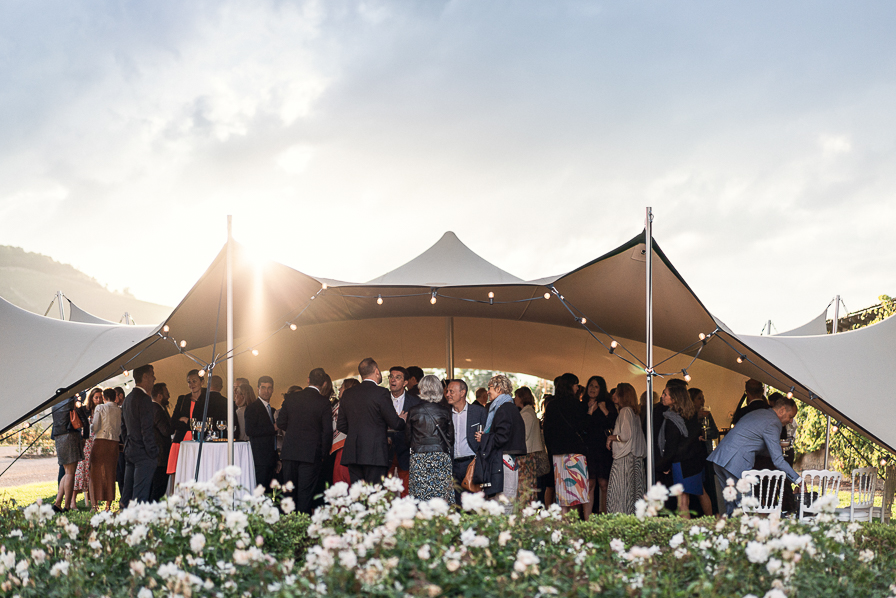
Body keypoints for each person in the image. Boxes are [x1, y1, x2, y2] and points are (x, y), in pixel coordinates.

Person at [707, 396, 802, 516]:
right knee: (747, 508)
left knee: (732, 507)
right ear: (782, 410)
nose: (791, 421)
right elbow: (778, 460)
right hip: (735, 462)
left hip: (720, 459)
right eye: (790, 416)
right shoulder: (774, 422)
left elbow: (752, 441)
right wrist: (799, 481)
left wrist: (775, 449)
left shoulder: (760, 413)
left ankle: (733, 527)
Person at [337, 358, 407, 484]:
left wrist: (357, 433)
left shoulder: (348, 394)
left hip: (353, 453)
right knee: (375, 492)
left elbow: (341, 425)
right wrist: (402, 419)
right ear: (376, 371)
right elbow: (395, 423)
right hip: (375, 453)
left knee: (358, 493)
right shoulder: (381, 393)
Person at [277, 368, 334, 514]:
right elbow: (327, 432)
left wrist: (294, 430)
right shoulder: (324, 402)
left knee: (288, 493)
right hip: (311, 454)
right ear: (324, 383)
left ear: (308, 380)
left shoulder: (291, 398)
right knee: (305, 495)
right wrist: (323, 454)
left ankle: (288, 523)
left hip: (290, 452)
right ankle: (302, 526)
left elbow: (281, 422)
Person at [475, 374, 526, 513]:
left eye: (490, 388)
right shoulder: (507, 406)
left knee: (503, 502)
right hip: (506, 460)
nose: (487, 392)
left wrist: (483, 438)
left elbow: (502, 437)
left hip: (503, 462)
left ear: (498, 389)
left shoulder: (504, 408)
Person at [656, 384, 709, 518]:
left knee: (683, 502)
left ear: (674, 399)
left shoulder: (672, 420)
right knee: (701, 493)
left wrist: (664, 465)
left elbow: (672, 447)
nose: (662, 396)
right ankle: (713, 524)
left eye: (665, 394)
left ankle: (686, 531)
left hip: (682, 464)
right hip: (695, 461)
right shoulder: (691, 414)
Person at [543, 376, 589, 515]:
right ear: (570, 386)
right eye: (575, 384)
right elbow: (584, 427)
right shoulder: (578, 405)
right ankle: (573, 523)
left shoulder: (552, 405)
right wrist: (589, 414)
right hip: (576, 454)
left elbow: (547, 431)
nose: (577, 387)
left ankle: (563, 524)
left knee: (562, 496)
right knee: (575, 496)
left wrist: (551, 451)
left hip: (558, 455)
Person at [168, 369, 227, 476]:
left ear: (202, 382)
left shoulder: (209, 399)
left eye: (194, 381)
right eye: (189, 382)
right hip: (181, 440)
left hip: (201, 441)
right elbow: (173, 422)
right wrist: (194, 424)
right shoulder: (183, 399)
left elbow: (208, 423)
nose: (191, 384)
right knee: (178, 474)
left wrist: (187, 421)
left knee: (198, 472)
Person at [407, 375, 455, 503]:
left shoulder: (413, 411)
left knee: (420, 496)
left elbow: (407, 438)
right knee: (442, 496)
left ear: (421, 389)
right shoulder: (445, 411)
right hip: (440, 457)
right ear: (439, 390)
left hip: (419, 458)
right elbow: (451, 439)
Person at [121, 364, 160, 507]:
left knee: (127, 496)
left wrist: (127, 444)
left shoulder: (128, 398)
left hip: (130, 450)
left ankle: (125, 518)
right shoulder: (144, 399)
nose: (154, 378)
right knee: (140, 496)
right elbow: (146, 429)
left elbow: (123, 427)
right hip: (143, 453)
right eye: (152, 374)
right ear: (145, 377)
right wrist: (153, 452)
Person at [606, 383, 647, 515]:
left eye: (616, 392)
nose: (613, 395)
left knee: (619, 495)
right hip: (635, 460)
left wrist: (611, 437)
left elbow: (625, 436)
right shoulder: (634, 413)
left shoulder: (625, 411)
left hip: (624, 460)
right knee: (634, 495)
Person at [445, 379, 487, 503]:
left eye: (451, 391)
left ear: (462, 393)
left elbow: (488, 436)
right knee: (456, 503)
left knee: (473, 504)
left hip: (472, 464)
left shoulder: (478, 412)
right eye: (447, 391)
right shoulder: (445, 413)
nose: (447, 394)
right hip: (452, 464)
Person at [386, 366, 422, 496]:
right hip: (385, 450)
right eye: (391, 377)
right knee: (385, 492)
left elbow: (419, 427)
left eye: (397, 377)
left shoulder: (415, 402)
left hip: (406, 450)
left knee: (407, 491)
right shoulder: (382, 399)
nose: (393, 380)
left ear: (405, 382)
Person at [584, 375, 616, 516]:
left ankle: (605, 516)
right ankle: (587, 519)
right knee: (589, 484)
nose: (592, 389)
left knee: (604, 484)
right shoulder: (582, 404)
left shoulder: (607, 404)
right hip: (588, 449)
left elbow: (615, 424)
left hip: (604, 449)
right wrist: (589, 413)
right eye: (591, 385)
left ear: (601, 389)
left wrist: (604, 410)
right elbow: (582, 427)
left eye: (596, 386)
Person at [245, 375, 280, 491]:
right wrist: (272, 428)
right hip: (260, 459)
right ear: (258, 389)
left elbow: (272, 438)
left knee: (269, 493)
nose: (266, 391)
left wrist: (276, 458)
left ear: (273, 390)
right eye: (263, 387)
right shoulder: (252, 408)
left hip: (271, 458)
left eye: (269, 388)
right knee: (260, 492)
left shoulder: (271, 409)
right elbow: (250, 430)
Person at [89, 388, 121, 511]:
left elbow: (96, 426)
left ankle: (95, 505)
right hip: (114, 443)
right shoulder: (118, 410)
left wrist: (90, 426)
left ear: (104, 397)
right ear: (115, 397)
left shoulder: (100, 408)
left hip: (101, 441)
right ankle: (108, 506)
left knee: (95, 472)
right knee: (110, 473)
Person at [513, 386, 546, 506]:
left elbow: (524, 435)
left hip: (525, 455)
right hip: (528, 454)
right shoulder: (528, 412)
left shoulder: (526, 414)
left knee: (524, 484)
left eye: (516, 396)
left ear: (521, 398)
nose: (514, 398)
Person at [690, 388, 719, 515]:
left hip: (705, 451)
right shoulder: (689, 415)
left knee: (707, 483)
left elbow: (715, 432)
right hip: (693, 454)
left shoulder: (707, 414)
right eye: (699, 398)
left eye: (703, 398)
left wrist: (705, 433)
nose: (703, 401)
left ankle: (710, 513)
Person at [51, 396, 83, 512]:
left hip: (59, 437)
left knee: (66, 472)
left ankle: (58, 503)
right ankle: (67, 506)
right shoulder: (70, 400)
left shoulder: (55, 403)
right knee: (70, 473)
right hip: (70, 435)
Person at [74, 387, 103, 508]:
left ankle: (94, 502)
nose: (98, 400)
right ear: (91, 398)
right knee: (81, 470)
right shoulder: (85, 410)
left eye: (100, 397)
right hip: (86, 442)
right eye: (96, 397)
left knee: (93, 472)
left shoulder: (102, 410)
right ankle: (73, 501)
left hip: (97, 442)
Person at [330, 378, 359, 486]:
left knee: (342, 480)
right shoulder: (338, 405)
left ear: (348, 389)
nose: (339, 389)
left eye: (342, 387)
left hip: (345, 447)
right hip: (338, 448)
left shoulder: (350, 406)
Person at [150, 382, 173, 502]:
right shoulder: (157, 410)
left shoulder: (151, 408)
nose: (168, 396)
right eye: (167, 394)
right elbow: (165, 430)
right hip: (160, 455)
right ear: (159, 396)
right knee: (159, 488)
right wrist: (177, 423)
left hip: (155, 454)